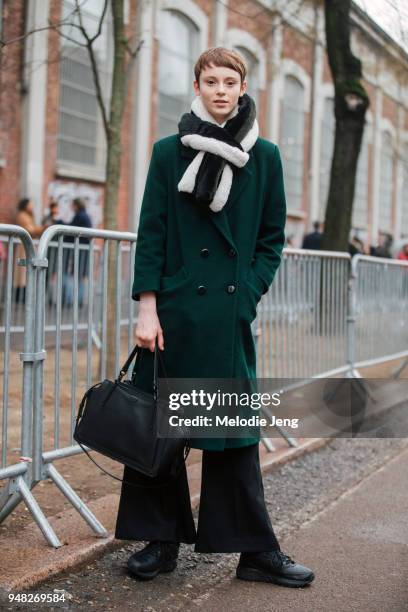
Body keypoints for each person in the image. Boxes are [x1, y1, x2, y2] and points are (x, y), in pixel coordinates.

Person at [115, 47, 315, 588]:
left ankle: (253, 551)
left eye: (230, 81)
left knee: (234, 438)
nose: (221, 89)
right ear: (198, 88)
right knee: (162, 430)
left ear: (243, 87)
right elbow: (151, 234)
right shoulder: (167, 152)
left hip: (228, 314)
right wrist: (148, 308)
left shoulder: (266, 156)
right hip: (175, 313)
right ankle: (160, 542)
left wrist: (247, 292)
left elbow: (273, 238)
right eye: (211, 81)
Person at [14, 197, 46, 303]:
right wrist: (43, 228)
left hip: (28, 246)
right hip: (23, 247)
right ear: (25, 205)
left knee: (27, 271)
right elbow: (30, 230)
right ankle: (20, 296)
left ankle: (24, 295)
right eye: (30, 204)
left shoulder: (29, 216)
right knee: (22, 272)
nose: (32, 207)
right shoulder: (22, 216)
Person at [62, 198, 92, 307]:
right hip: (84, 249)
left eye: (72, 205)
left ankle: (69, 301)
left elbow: (71, 232)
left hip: (78, 249)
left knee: (73, 274)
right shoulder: (85, 216)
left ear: (76, 205)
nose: (71, 207)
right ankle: (79, 301)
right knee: (81, 275)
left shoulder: (79, 216)